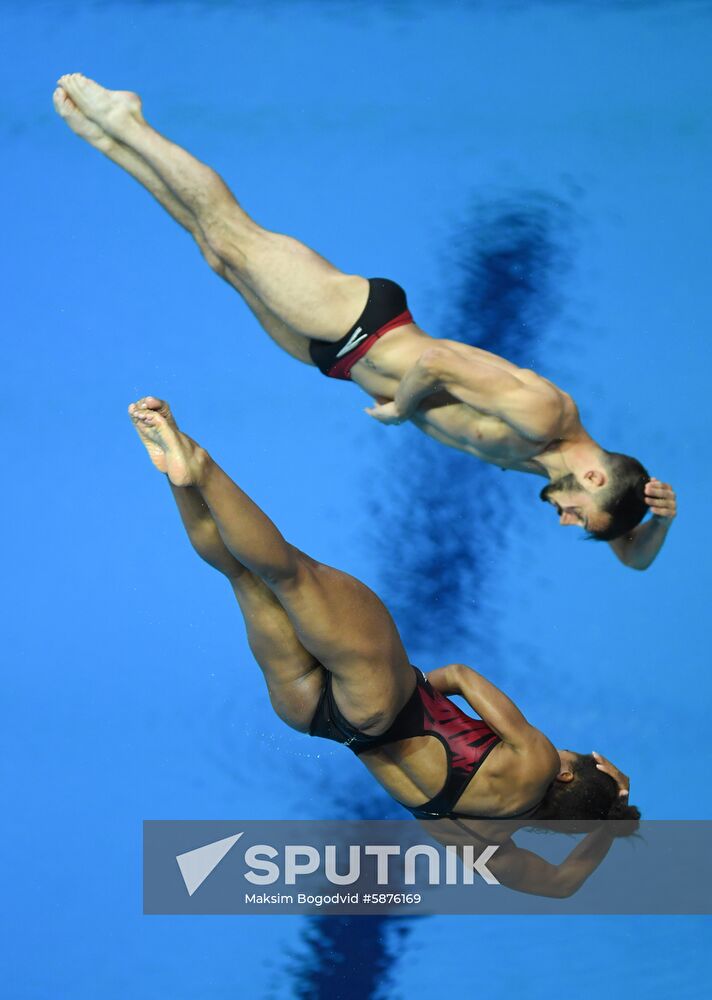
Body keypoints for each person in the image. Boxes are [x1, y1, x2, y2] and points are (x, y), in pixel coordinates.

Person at [53, 75, 677, 570]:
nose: (564, 518)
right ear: (594, 476)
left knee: (217, 256)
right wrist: (402, 410)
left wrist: (661, 521)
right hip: (364, 324)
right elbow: (436, 363)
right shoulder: (546, 420)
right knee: (235, 236)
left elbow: (631, 558)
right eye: (579, 513)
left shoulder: (552, 468)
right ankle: (129, 121)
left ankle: (112, 145)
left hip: (342, 360)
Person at [127, 393, 640, 825]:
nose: (564, 752)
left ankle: (199, 467)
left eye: (574, 758)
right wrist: (600, 821)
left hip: (381, 698)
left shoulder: (540, 761)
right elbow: (556, 883)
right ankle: (178, 477)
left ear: (567, 774)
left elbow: (460, 676)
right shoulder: (487, 828)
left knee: (289, 572)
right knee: (239, 575)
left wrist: (408, 682)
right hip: (316, 718)